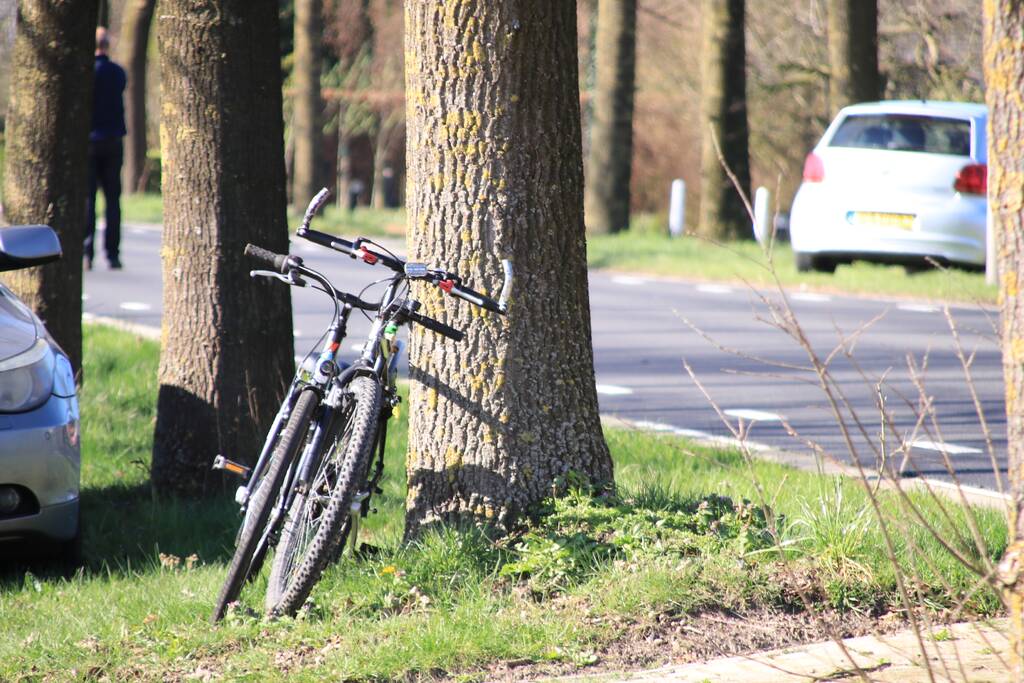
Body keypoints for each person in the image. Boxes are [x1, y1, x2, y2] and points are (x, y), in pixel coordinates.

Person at [85, 27, 127, 270]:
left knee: (89, 199)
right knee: (113, 200)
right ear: (107, 46)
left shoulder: (86, 72)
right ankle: (113, 254)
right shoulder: (117, 72)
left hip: (90, 142)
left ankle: (87, 251)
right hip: (112, 141)